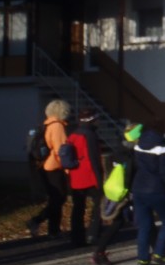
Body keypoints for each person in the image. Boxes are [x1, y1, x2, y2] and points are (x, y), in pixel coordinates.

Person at [92, 122, 142, 265]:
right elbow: (131, 174)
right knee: (140, 220)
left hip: (118, 191)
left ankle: (99, 251)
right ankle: (99, 252)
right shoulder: (130, 154)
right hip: (127, 192)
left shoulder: (118, 150)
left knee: (124, 221)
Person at [132, 124, 165, 265]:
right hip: (157, 189)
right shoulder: (164, 149)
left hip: (139, 188)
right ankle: (159, 253)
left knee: (144, 225)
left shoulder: (138, 146)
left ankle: (143, 259)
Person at [26, 99, 71, 240]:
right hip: (54, 167)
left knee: (55, 198)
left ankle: (53, 229)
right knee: (59, 198)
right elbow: (60, 150)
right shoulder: (57, 126)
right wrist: (68, 169)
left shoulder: (46, 124)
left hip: (44, 165)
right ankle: (38, 221)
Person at [66, 108, 105, 247]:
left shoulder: (73, 134)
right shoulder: (90, 135)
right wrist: (99, 179)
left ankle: (76, 237)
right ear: (92, 120)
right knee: (99, 204)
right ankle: (93, 233)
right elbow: (93, 158)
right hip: (89, 175)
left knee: (78, 207)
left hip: (75, 175)